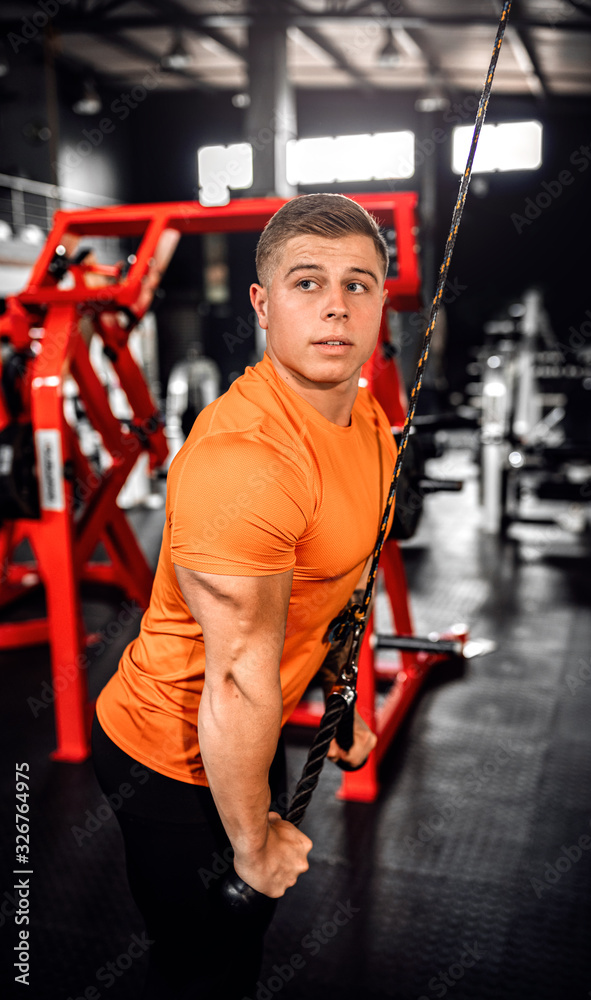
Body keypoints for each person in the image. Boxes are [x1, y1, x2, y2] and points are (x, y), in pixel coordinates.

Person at [92, 193, 397, 1000]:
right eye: (307, 282)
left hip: (247, 733)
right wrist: (252, 842)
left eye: (358, 284)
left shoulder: (365, 417)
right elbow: (233, 679)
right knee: (203, 968)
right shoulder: (246, 460)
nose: (336, 305)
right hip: (170, 754)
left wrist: (339, 700)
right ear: (261, 303)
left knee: (239, 958)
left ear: (381, 302)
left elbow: (337, 586)